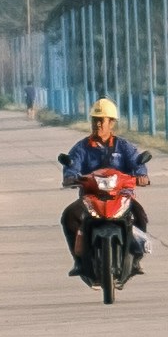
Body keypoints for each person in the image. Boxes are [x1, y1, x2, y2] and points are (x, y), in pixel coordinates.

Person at [60, 99, 143, 278]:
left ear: (111, 123)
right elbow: (72, 164)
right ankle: (79, 261)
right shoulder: (82, 147)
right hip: (91, 198)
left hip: (121, 196)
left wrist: (141, 173)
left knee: (141, 216)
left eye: (102, 120)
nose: (97, 124)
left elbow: (137, 163)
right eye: (94, 120)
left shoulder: (123, 146)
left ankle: (136, 259)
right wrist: (69, 176)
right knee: (68, 216)